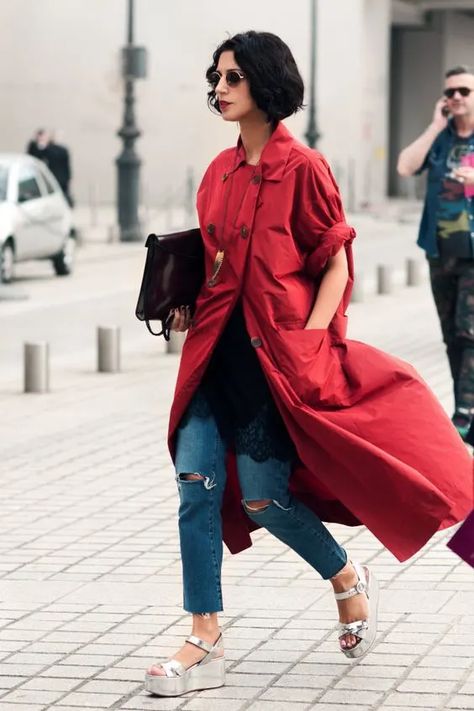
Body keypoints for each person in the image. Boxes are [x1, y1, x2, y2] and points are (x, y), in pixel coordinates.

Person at [145, 33, 472, 697]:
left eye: (232, 76)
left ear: (266, 84)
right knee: (195, 483)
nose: (220, 87)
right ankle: (204, 633)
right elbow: (216, 263)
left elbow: (334, 262)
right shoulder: (218, 172)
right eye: (216, 77)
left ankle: (345, 575)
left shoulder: (305, 169)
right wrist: (185, 303)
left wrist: (312, 341)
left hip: (280, 360)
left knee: (265, 497)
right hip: (213, 356)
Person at [397, 66, 474, 440]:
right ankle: (465, 409)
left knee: (470, 329)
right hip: (439, 252)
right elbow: (405, 165)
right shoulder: (441, 140)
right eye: (451, 93)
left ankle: (464, 411)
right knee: (451, 335)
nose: (457, 97)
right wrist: (433, 126)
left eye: (464, 91)